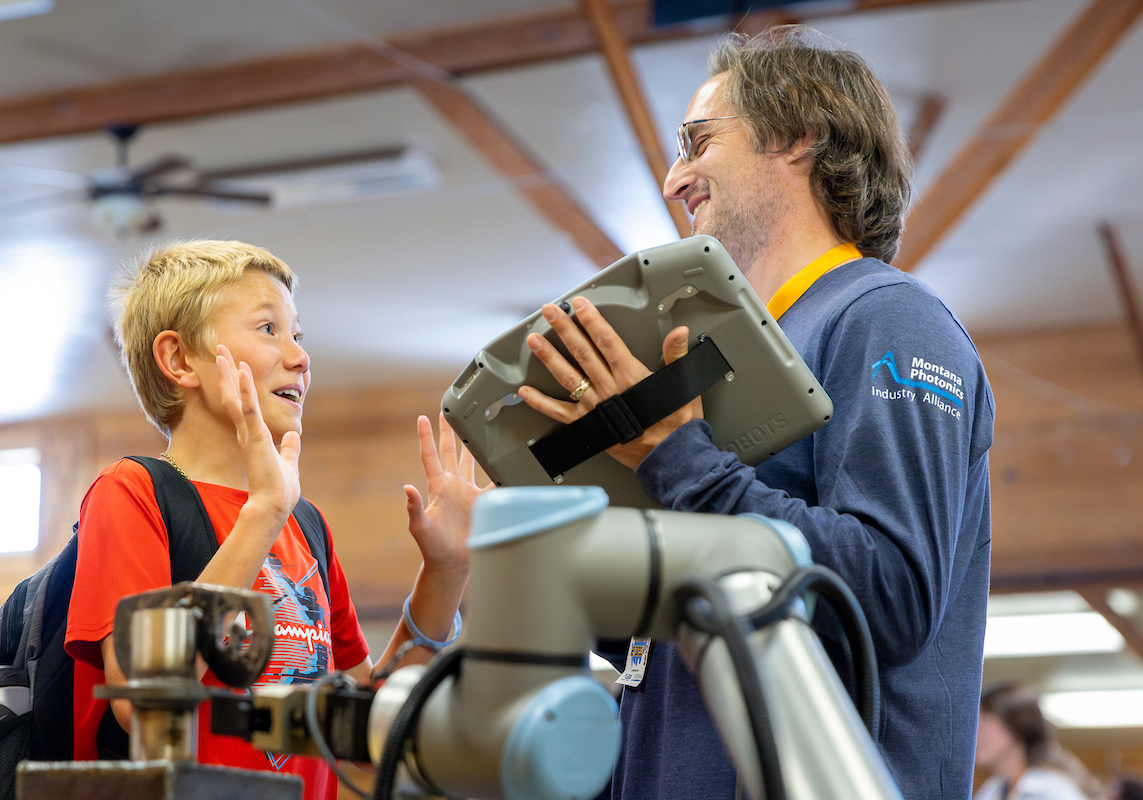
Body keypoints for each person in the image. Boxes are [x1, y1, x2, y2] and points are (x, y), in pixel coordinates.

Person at [518, 25, 995, 800]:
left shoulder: (888, 318)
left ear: (800, 135)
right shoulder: (738, 355)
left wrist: (682, 459)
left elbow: (894, 593)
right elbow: (694, 635)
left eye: (698, 143)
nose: (675, 179)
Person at [65, 240, 481, 799]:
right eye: (268, 329)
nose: (300, 356)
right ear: (179, 359)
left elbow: (365, 723)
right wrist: (264, 512)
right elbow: (140, 702)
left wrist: (447, 570)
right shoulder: (132, 493)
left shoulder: (306, 523)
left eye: (297, 335)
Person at [974, 683, 1104, 800]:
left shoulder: (1055, 791)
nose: (976, 733)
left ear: (1014, 726)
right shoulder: (990, 792)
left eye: (984, 721)